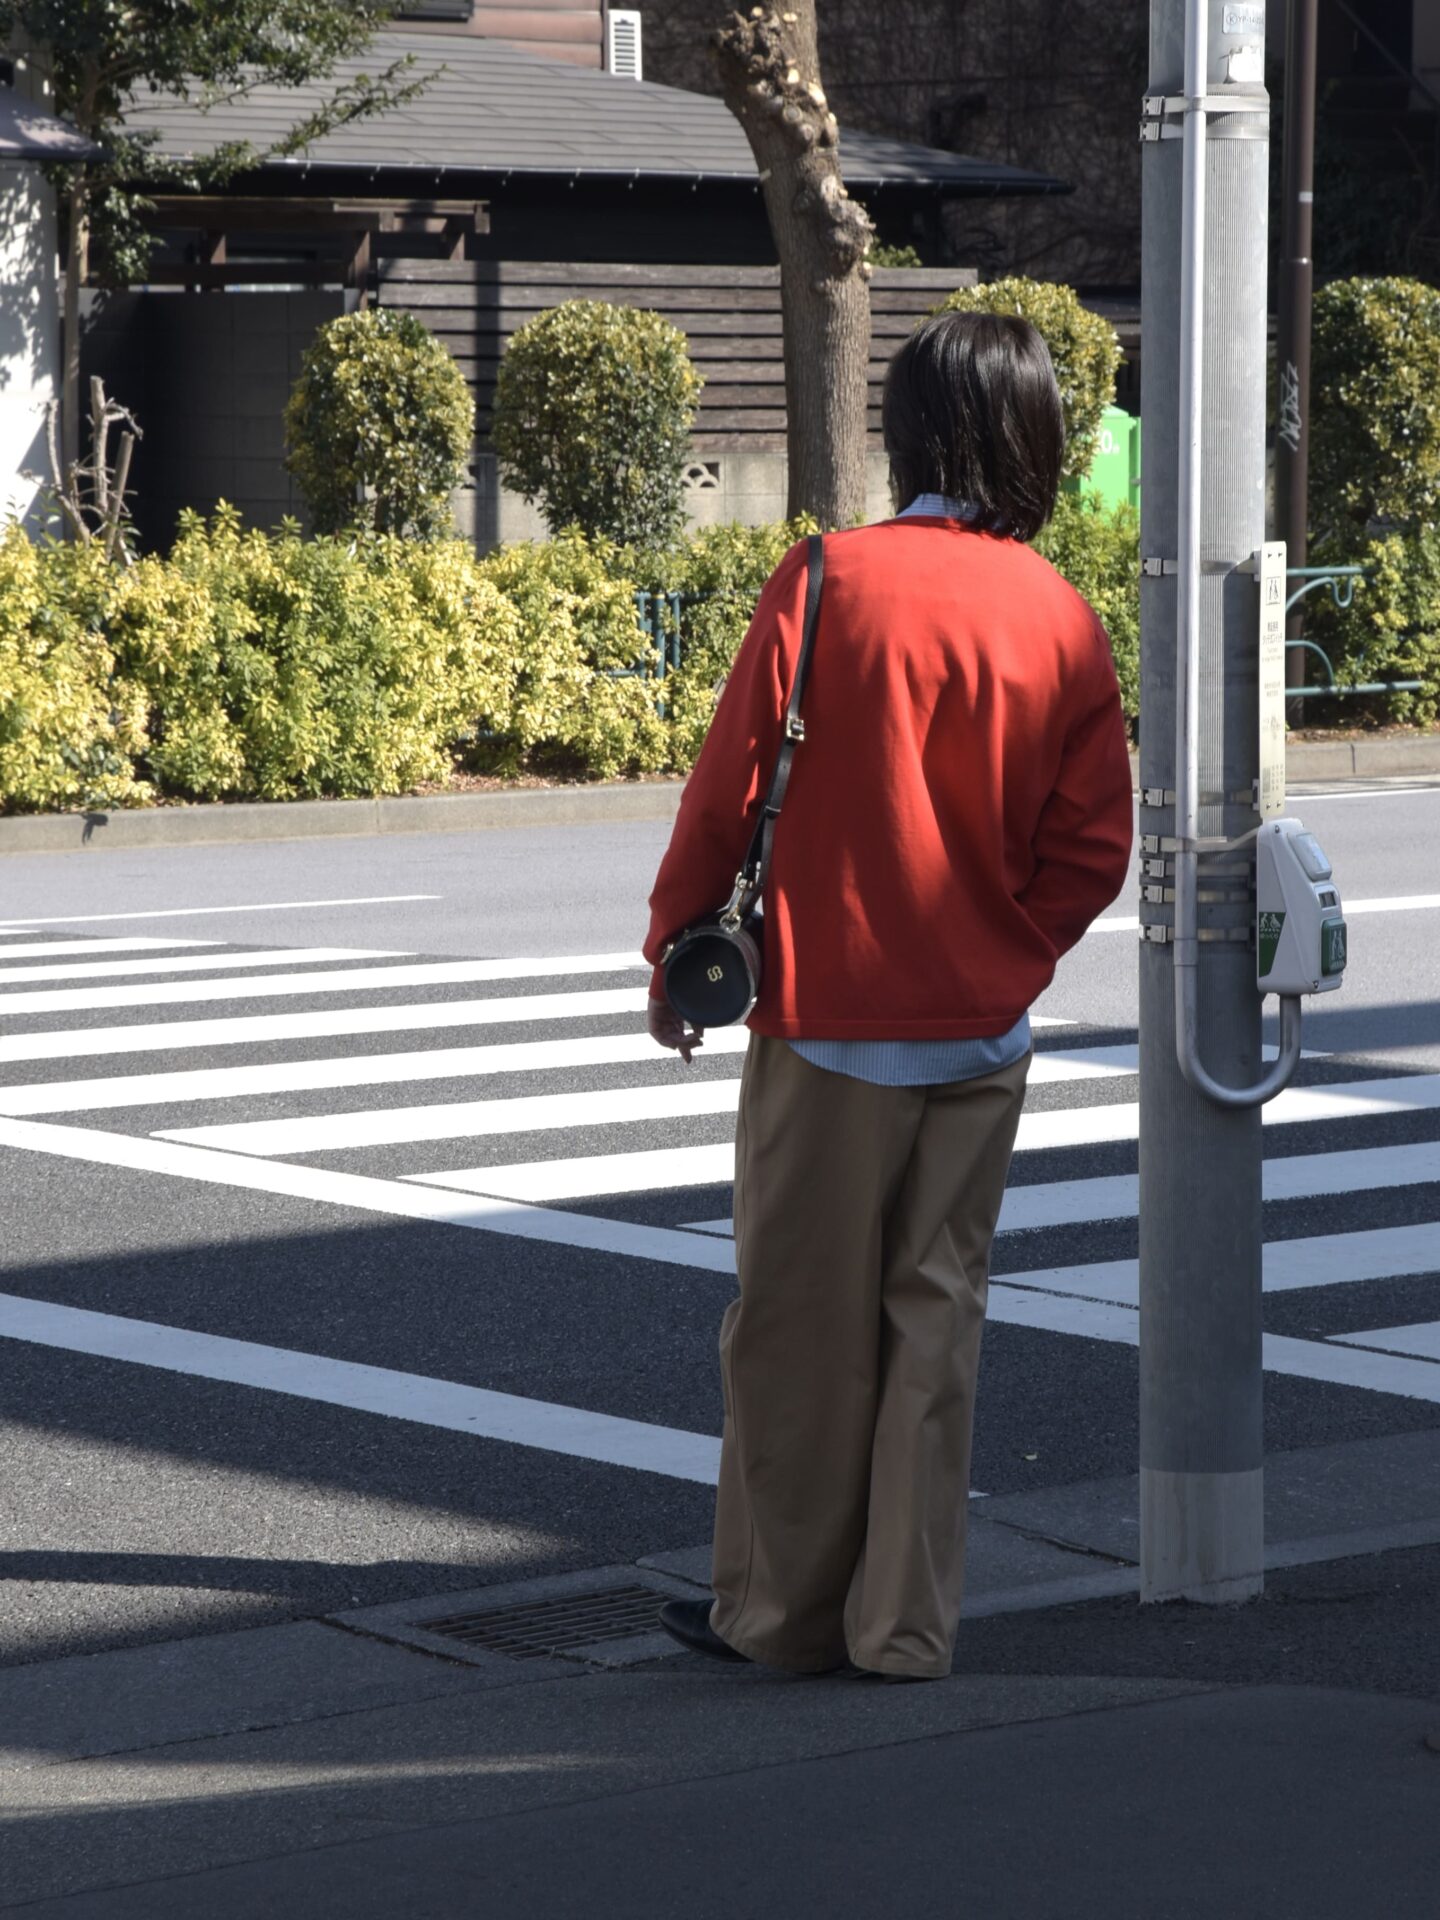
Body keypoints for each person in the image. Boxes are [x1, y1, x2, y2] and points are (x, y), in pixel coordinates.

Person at [643, 309, 1134, 1680]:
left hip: (831, 1018)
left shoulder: (826, 580)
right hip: (980, 1031)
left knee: (797, 1329)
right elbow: (1093, 845)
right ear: (1033, 436)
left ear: (908, 432)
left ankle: (781, 1615)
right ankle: (904, 1628)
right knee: (936, 1323)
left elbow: (729, 787)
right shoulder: (1059, 615)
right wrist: (1007, 950)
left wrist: (676, 947)